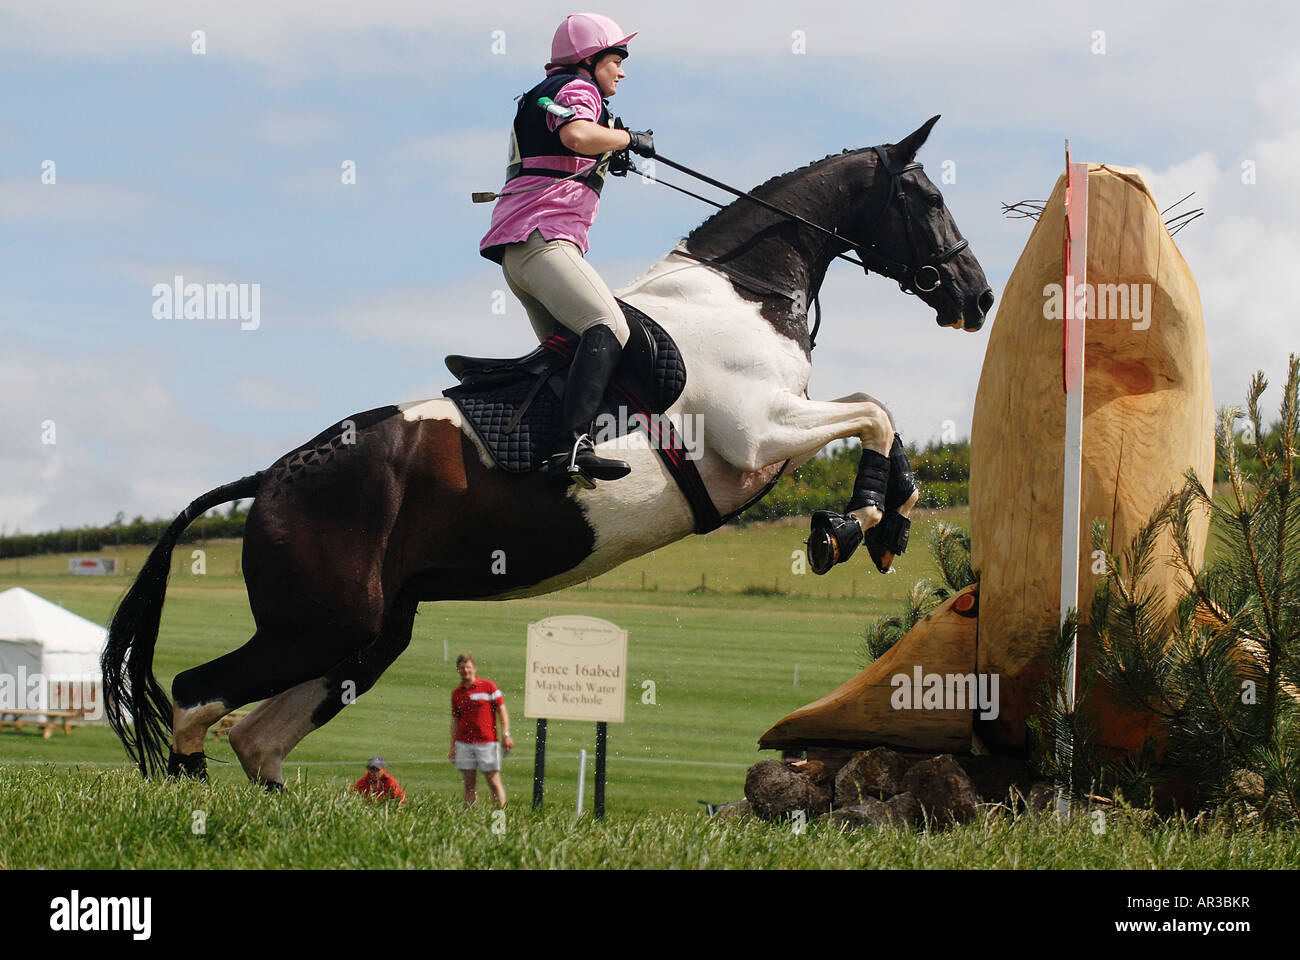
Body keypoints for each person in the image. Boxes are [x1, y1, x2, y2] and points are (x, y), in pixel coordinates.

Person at [478, 13, 656, 488]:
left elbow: (571, 146)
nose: (621, 71)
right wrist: (627, 138)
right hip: (543, 244)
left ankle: (544, 455)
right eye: (616, 60)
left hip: (521, 256)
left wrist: (607, 150)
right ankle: (574, 444)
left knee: (570, 355)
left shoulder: (555, 91)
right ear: (590, 59)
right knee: (606, 326)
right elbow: (576, 134)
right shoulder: (579, 89)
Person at [449, 654, 514, 807]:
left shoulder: (488, 686)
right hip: (464, 743)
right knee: (469, 785)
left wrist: (506, 734)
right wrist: (453, 746)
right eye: (463, 668)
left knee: (493, 782)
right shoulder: (457, 693)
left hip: (487, 742)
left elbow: (502, 711)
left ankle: (500, 818)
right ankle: (470, 819)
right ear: (458, 670)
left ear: (474, 669)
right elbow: (455, 721)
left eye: (468, 667)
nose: (466, 670)